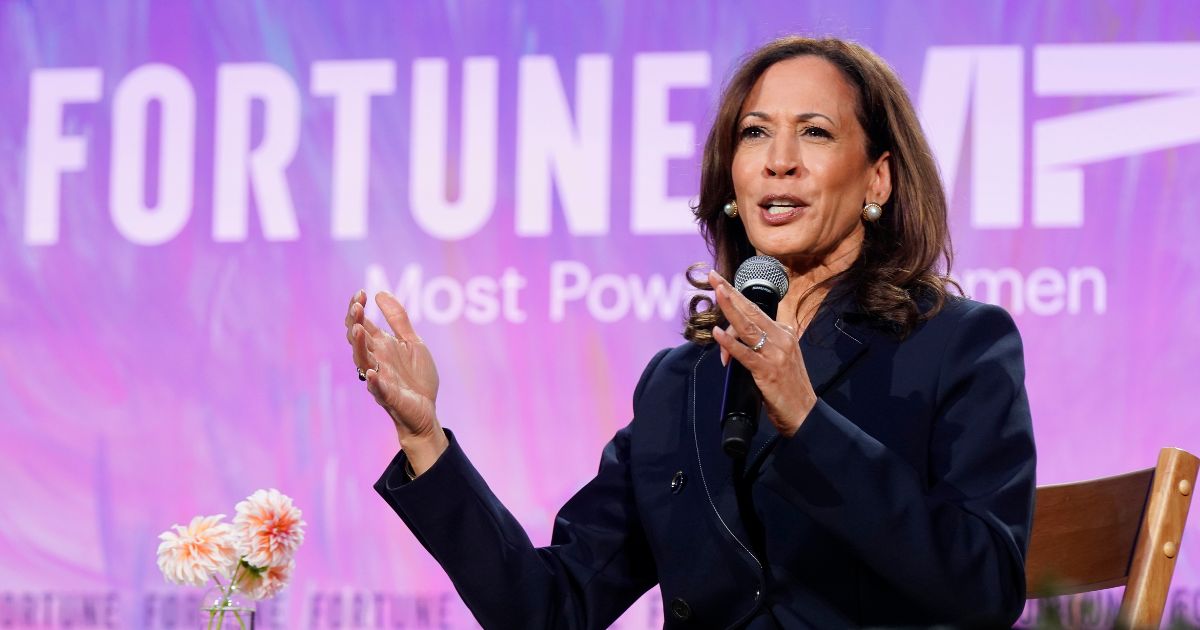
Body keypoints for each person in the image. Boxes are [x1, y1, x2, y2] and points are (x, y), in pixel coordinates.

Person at [344, 36, 1036, 628]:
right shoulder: (682, 384)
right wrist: (425, 440)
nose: (779, 159)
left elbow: (985, 587)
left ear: (877, 181)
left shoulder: (957, 346)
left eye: (816, 132)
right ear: (732, 180)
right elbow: (548, 608)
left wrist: (807, 420)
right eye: (755, 132)